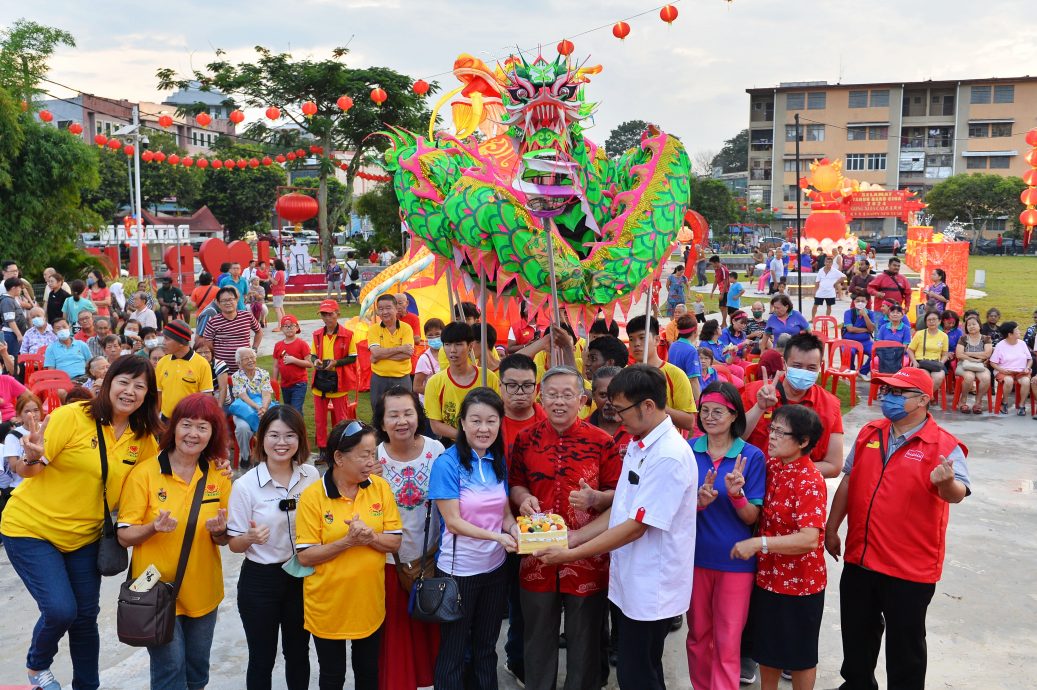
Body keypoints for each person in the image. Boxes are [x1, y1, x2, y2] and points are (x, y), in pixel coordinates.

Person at [2, 355, 162, 690]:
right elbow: (31, 470)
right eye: (123, 381)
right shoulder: (72, 417)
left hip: (85, 537)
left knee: (85, 618)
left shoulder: (144, 440)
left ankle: (87, 686)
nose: (130, 391)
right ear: (107, 383)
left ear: (148, 395)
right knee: (61, 610)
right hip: (31, 528)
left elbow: (152, 486)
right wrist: (31, 454)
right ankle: (37, 665)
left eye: (139, 386)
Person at [533, 365, 697, 690]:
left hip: (652, 586)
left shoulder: (669, 457)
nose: (615, 416)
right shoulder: (639, 445)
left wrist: (571, 553)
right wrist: (575, 535)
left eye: (621, 409)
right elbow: (621, 508)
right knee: (636, 671)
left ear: (647, 406)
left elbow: (636, 527)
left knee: (639, 675)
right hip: (631, 580)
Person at [825, 368, 970, 690]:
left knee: (905, 647)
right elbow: (848, 480)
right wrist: (832, 527)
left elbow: (957, 493)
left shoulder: (943, 445)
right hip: (861, 557)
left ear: (922, 400)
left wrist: (946, 483)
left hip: (909, 567)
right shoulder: (869, 433)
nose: (887, 398)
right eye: (886, 391)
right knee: (857, 633)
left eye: (897, 393)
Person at [509, 366, 621, 690]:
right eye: (552, 395)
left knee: (585, 642)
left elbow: (620, 499)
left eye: (567, 395)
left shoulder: (603, 443)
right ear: (541, 397)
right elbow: (515, 484)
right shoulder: (525, 440)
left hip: (586, 558)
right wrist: (525, 496)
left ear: (582, 400)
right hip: (537, 557)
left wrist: (596, 497)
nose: (559, 402)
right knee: (538, 639)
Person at [116, 393, 232, 690]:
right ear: (173, 428)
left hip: (203, 590)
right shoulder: (144, 473)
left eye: (203, 427)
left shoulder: (219, 475)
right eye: (186, 424)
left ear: (213, 433)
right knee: (169, 672)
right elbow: (124, 534)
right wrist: (152, 528)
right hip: (154, 594)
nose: (193, 434)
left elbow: (223, 538)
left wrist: (220, 531)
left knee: (197, 672)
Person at [296, 420, 401, 690]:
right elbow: (305, 556)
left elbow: (395, 542)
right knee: (332, 677)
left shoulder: (379, 488)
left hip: (369, 604)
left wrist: (371, 537)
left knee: (368, 673)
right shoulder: (313, 497)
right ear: (339, 457)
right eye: (364, 455)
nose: (371, 461)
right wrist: (347, 541)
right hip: (328, 607)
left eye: (373, 454)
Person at [428, 388, 518, 689]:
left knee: (485, 647)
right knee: (453, 651)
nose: (484, 428)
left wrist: (514, 529)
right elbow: (453, 522)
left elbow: (504, 514)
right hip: (459, 572)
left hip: (495, 569)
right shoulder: (447, 464)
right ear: (462, 423)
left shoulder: (496, 459)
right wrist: (498, 537)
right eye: (476, 421)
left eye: (491, 421)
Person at [732, 404, 827, 690]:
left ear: (803, 441)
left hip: (800, 585)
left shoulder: (809, 480)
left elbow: (809, 538)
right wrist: (738, 492)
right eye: (772, 429)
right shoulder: (772, 466)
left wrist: (759, 543)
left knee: (800, 656)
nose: (771, 436)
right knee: (767, 650)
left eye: (780, 432)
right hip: (768, 578)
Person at [228, 405, 318, 690]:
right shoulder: (245, 486)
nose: (282, 443)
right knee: (262, 657)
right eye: (274, 435)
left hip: (301, 577)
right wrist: (250, 538)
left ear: (300, 439)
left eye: (290, 436)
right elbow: (233, 543)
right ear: (261, 438)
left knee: (298, 653)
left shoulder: (311, 476)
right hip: (260, 581)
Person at [688, 382, 766, 690]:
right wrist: (696, 502)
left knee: (728, 639)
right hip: (693, 558)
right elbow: (673, 509)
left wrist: (736, 495)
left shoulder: (751, 456)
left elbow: (751, 517)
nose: (709, 417)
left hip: (735, 563)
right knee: (697, 637)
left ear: (735, 415)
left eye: (718, 411)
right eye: (704, 411)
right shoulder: (688, 450)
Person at [372, 388, 444, 690]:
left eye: (408, 413)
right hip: (388, 560)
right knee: (396, 635)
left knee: (432, 629)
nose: (402, 421)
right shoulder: (372, 457)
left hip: (431, 558)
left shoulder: (437, 450)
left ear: (419, 415)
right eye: (393, 415)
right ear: (382, 421)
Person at [497, 353, 545, 684]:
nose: (519, 392)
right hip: (496, 526)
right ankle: (515, 657)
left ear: (536, 388)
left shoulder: (547, 419)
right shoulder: (488, 421)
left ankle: (528, 658)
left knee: (533, 601)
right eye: (511, 385)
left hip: (539, 525)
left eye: (526, 385)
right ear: (499, 386)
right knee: (509, 599)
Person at [741, 332, 843, 478]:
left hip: (796, 492)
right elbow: (732, 440)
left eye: (811, 368)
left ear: (820, 366)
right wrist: (759, 408)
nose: (803, 372)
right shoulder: (753, 393)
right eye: (797, 366)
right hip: (753, 485)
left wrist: (784, 471)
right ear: (784, 363)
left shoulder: (830, 405)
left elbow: (834, 465)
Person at [425, 322, 500, 442]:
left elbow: (499, 414)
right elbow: (435, 425)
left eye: (458, 344)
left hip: (486, 441)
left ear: (470, 346)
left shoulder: (488, 377)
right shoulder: (434, 382)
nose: (452, 350)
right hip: (452, 443)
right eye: (448, 345)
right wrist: (467, 437)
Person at [625, 315, 697, 431]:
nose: (636, 344)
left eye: (642, 338)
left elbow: (688, 422)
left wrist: (656, 405)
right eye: (631, 339)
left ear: (657, 340)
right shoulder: (625, 375)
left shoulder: (675, 374)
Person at [310, 300, 358, 452]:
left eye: (330, 314)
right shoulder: (317, 334)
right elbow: (312, 355)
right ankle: (323, 449)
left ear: (338, 314)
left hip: (339, 382)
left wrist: (335, 363)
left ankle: (340, 447)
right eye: (323, 314)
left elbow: (353, 357)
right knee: (320, 419)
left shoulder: (348, 335)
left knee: (341, 419)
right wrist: (315, 360)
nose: (326, 318)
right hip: (321, 382)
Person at [155, 320, 214, 421]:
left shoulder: (202, 364)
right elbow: (158, 394)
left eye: (167, 339)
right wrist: (155, 419)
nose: (163, 342)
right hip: (165, 421)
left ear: (181, 342)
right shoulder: (162, 362)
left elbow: (206, 398)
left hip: (190, 421)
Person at [229, 347, 275, 469]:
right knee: (242, 428)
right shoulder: (236, 376)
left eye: (252, 357)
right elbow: (243, 396)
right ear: (239, 363)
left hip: (263, 406)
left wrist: (264, 408)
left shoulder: (263, 373)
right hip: (244, 409)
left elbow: (266, 394)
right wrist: (257, 407)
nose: (250, 360)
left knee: (270, 424)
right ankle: (245, 456)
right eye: (246, 359)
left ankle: (262, 455)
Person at [202, 286, 262, 374]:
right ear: (218, 303)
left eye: (231, 299)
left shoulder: (247, 316)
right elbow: (207, 343)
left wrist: (254, 349)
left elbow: (259, 332)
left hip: (245, 369)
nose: (228, 303)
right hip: (223, 371)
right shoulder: (213, 322)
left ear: (236, 300)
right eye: (224, 300)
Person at [369, 294, 415, 405]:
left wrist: (379, 355)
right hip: (379, 378)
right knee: (378, 412)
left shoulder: (406, 328)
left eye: (388, 308)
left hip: (402, 378)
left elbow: (407, 354)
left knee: (403, 410)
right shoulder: (374, 329)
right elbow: (375, 352)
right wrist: (400, 348)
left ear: (396, 309)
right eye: (380, 309)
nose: (384, 312)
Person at [1, 393, 42, 515]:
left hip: (46, 485)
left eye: (36, 410)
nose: (32, 415)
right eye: (27, 411)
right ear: (19, 415)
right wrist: (30, 455)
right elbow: (14, 468)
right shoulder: (13, 436)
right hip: (23, 488)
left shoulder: (48, 429)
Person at [989, 321, 1033, 415]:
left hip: (1021, 372)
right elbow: (992, 362)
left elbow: (1030, 359)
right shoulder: (1000, 345)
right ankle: (1004, 402)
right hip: (1005, 371)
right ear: (1010, 334)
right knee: (1008, 381)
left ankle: (1022, 405)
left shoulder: (1022, 344)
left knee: (1026, 381)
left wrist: (1027, 368)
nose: (1019, 332)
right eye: (1017, 330)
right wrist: (1002, 370)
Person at [273, 314, 313, 414]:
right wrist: (274, 383)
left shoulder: (302, 344)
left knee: (295, 410)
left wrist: (294, 360)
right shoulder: (278, 345)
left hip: (299, 384)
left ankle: (298, 429)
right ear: (281, 329)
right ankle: (294, 428)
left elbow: (309, 363)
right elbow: (276, 366)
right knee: (288, 410)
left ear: (297, 328)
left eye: (291, 326)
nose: (289, 328)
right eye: (285, 326)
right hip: (285, 384)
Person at [955, 315, 992, 415]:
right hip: (964, 365)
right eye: (969, 325)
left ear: (979, 325)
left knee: (986, 378)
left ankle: (978, 402)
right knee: (969, 377)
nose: (971, 326)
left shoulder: (986, 338)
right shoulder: (963, 339)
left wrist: (968, 353)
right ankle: (962, 401)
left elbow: (987, 354)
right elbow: (959, 354)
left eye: (974, 324)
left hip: (981, 366)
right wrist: (975, 359)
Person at [907, 310, 950, 393]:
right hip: (921, 362)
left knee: (939, 377)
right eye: (929, 320)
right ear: (926, 322)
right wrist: (914, 362)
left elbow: (945, 354)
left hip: (936, 364)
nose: (931, 322)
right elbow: (910, 350)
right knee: (924, 376)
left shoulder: (944, 336)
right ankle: (926, 398)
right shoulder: (919, 334)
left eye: (934, 319)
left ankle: (925, 397)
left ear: (939, 321)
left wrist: (941, 362)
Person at [667, 316, 703, 403]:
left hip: (674, 391)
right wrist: (699, 403)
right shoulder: (691, 350)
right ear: (696, 331)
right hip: (687, 396)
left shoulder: (673, 345)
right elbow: (693, 380)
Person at [842, 295, 876, 377]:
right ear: (854, 302)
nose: (860, 303)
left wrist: (865, 315)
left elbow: (871, 329)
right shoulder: (848, 313)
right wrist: (865, 330)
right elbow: (850, 329)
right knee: (849, 352)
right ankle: (852, 371)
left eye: (863, 301)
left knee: (876, 352)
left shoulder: (871, 313)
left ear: (867, 302)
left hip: (865, 341)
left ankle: (863, 371)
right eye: (858, 300)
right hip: (849, 341)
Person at [193, 337, 231, 409]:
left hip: (221, 403)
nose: (203, 355)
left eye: (206, 352)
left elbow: (223, 389)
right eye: (199, 353)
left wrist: (218, 408)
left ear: (212, 353)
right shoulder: (192, 366)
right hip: (200, 403)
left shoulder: (219, 364)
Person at [413, 318, 444, 402]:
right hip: (430, 403)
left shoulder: (450, 353)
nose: (434, 338)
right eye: (430, 335)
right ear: (426, 337)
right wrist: (437, 393)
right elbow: (417, 387)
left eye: (437, 334)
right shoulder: (424, 359)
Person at [812, 254, 846, 320]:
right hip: (820, 291)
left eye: (830, 262)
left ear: (832, 263)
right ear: (824, 262)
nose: (828, 263)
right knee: (815, 305)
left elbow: (844, 277)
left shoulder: (835, 271)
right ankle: (813, 318)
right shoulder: (820, 270)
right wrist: (814, 292)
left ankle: (827, 318)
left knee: (829, 306)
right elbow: (817, 282)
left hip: (830, 292)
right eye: (827, 262)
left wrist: (836, 283)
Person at [0, 277, 27, 356]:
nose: (20, 290)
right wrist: (19, 335)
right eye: (19, 287)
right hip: (11, 334)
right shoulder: (7, 301)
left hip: (13, 334)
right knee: (13, 359)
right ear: (13, 288)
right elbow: (10, 320)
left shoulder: (11, 299)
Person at [709, 255, 731, 328]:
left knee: (724, 307)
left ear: (716, 262)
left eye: (712, 264)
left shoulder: (724, 270)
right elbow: (716, 281)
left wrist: (722, 294)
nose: (712, 265)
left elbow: (726, 283)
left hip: (726, 291)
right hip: (721, 290)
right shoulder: (716, 269)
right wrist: (712, 291)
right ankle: (724, 322)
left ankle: (724, 323)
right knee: (721, 307)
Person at [269, 259, 288, 326]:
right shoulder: (282, 272)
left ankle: (279, 325)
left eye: (274, 264)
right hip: (281, 292)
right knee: (281, 308)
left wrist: (269, 277)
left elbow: (275, 282)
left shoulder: (278, 273)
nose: (273, 266)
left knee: (277, 309)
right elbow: (279, 283)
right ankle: (285, 323)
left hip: (277, 293)